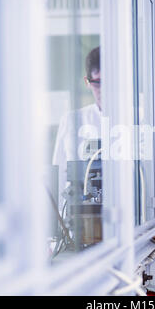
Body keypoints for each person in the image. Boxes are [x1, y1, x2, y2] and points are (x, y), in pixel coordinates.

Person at [52, 46, 102, 209]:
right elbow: (60, 176)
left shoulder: (139, 119)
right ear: (87, 82)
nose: (105, 90)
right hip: (84, 220)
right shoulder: (73, 121)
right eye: (98, 83)